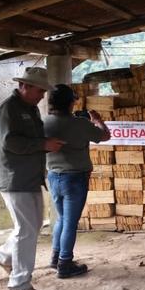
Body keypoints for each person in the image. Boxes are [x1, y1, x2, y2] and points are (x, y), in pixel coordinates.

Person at [0, 67, 65, 290]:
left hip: (30, 177)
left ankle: (4, 256)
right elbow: (10, 142)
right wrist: (43, 145)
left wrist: (43, 144)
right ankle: (19, 284)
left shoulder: (30, 109)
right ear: (24, 86)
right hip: (14, 177)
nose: (42, 95)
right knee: (26, 231)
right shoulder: (8, 109)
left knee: (31, 226)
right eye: (39, 90)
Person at [43, 84, 111, 278]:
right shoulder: (80, 124)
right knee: (71, 223)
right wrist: (97, 120)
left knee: (62, 219)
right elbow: (105, 135)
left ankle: (55, 258)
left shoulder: (44, 123)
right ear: (71, 103)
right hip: (75, 178)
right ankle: (65, 264)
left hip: (53, 176)